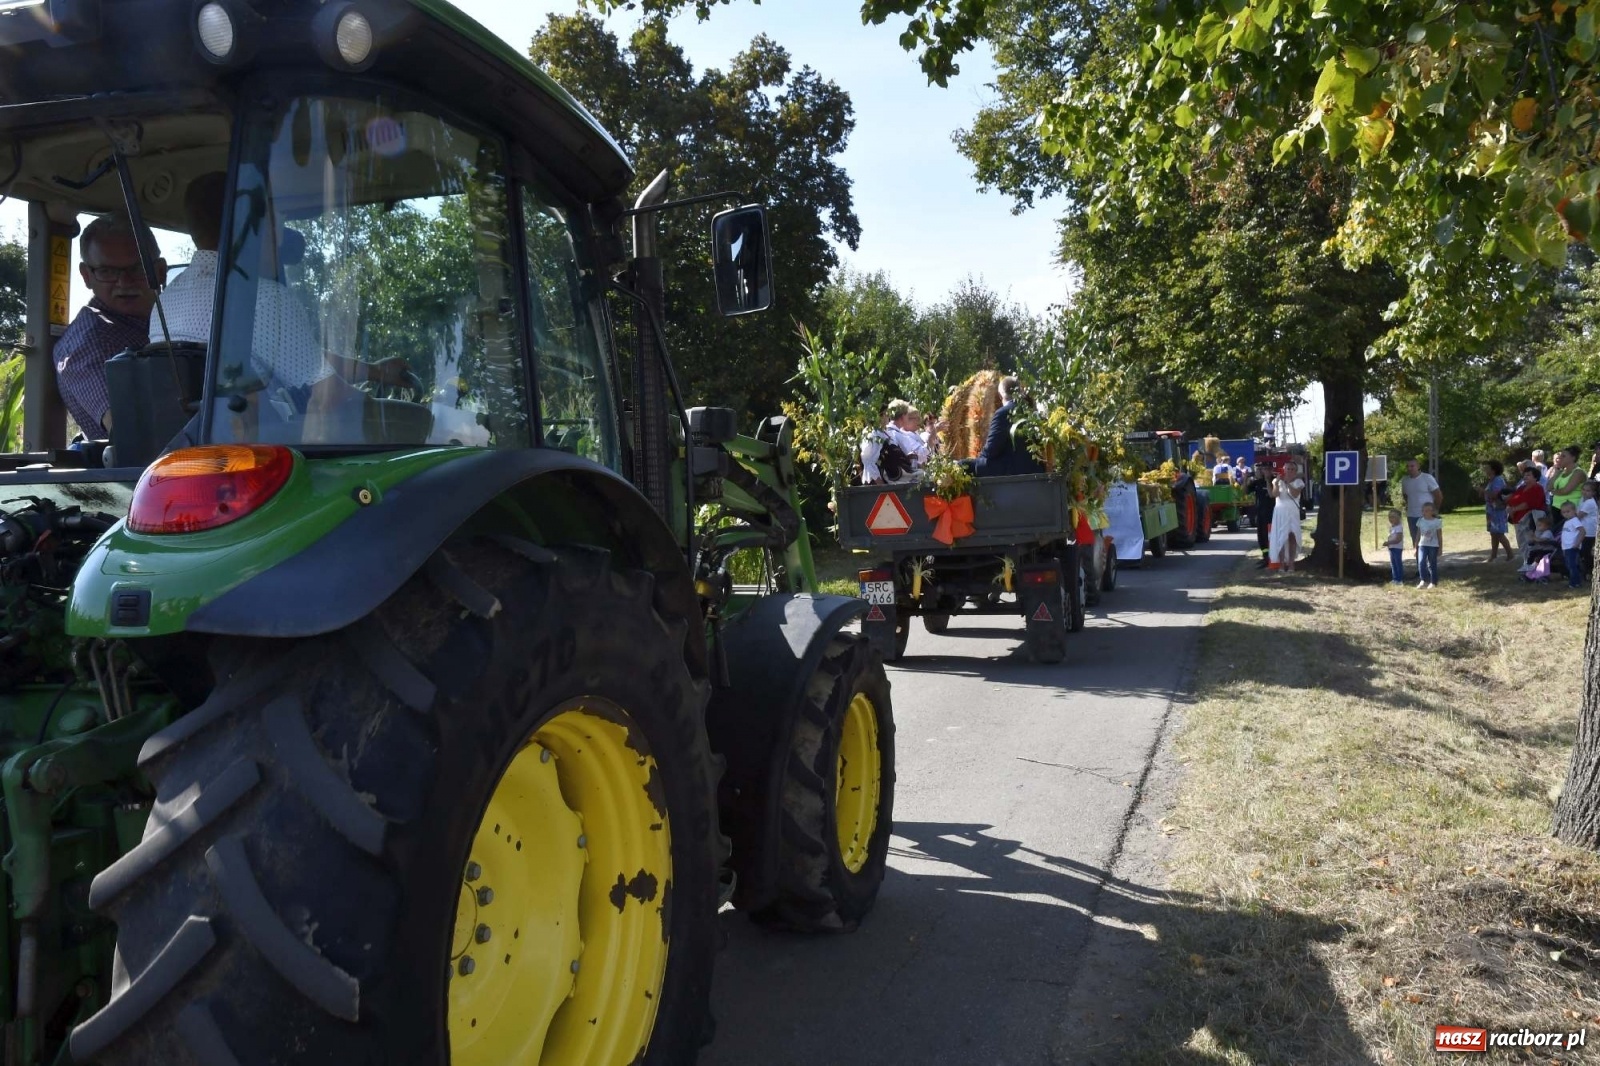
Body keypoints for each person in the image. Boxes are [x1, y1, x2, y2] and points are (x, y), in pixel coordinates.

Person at [153, 173, 410, 423]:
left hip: (193, 452)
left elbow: (296, 356)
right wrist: (399, 417)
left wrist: (374, 371)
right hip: (255, 454)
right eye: (275, 221)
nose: (281, 237)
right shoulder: (263, 299)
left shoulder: (163, 305)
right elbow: (329, 397)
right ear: (248, 226)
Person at [53, 214, 168, 436]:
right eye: (107, 271)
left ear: (160, 271)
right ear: (86, 276)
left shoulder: (168, 321)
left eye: (138, 268)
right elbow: (133, 434)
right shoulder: (89, 343)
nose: (124, 282)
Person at [972, 376, 1042, 477]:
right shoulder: (1033, 413)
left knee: (965, 465)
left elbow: (991, 450)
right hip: (1035, 468)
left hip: (1010, 470)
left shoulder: (1002, 413)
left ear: (1001, 396)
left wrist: (980, 459)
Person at [860, 400, 916, 484]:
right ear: (879, 416)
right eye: (886, 414)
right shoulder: (873, 434)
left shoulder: (885, 433)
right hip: (885, 480)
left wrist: (905, 457)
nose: (888, 417)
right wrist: (881, 485)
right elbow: (869, 461)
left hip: (896, 476)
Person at [1399, 458, 1442, 552]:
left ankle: (1431, 563)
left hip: (1427, 516)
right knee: (1416, 541)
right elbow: (1405, 496)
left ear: (1418, 466)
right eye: (1408, 466)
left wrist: (1434, 511)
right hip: (1412, 515)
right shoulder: (1405, 481)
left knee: (1430, 542)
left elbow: (1438, 495)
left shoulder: (1427, 478)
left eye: (1412, 466)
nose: (1410, 468)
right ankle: (1420, 563)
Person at [1268, 462, 1304, 572]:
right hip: (1280, 512)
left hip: (1293, 512)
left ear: (1295, 471)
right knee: (1281, 538)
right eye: (1288, 469)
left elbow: (1295, 494)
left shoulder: (1299, 482)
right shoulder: (1277, 481)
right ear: (1284, 469)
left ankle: (1291, 564)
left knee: (1292, 537)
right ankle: (1282, 565)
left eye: (1292, 469)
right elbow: (1275, 495)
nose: (1290, 471)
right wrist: (1277, 483)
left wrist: (1288, 483)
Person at [1481, 460, 1512, 562]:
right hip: (1491, 510)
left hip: (1497, 510)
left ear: (1493, 469)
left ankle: (1510, 554)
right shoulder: (1491, 480)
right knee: (1493, 533)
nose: (1485, 469)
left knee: (1499, 533)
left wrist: (1482, 491)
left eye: (1487, 467)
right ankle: (1493, 555)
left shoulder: (1498, 480)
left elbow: (1495, 495)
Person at [1547, 446, 1587, 515]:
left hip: (1569, 510)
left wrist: (1553, 492)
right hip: (1555, 506)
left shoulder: (1578, 472)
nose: (1560, 458)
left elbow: (1566, 490)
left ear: (1573, 458)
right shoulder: (1561, 472)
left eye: (1563, 456)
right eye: (1560, 456)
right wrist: (1556, 473)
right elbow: (1548, 487)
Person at [1248, 463, 1273, 566]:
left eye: (1267, 469)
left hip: (1271, 513)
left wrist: (1268, 480)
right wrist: (1246, 479)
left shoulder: (1274, 480)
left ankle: (1271, 558)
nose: (1264, 471)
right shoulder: (1257, 482)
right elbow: (1245, 491)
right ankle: (1265, 557)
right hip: (1260, 513)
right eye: (1263, 469)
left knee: (1269, 537)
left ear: (1271, 470)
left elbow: (1272, 495)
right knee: (1261, 537)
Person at [1416, 501, 1443, 588]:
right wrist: (1415, 546)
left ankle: (1433, 582)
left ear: (1432, 511)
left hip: (1433, 546)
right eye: (1424, 510)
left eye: (1428, 510)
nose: (1425, 512)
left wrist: (1440, 548)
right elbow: (1418, 534)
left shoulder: (1437, 522)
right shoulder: (1420, 521)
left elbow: (1439, 536)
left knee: (1432, 563)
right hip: (1422, 545)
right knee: (1421, 561)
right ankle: (1423, 580)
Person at [1559, 501, 1585, 590]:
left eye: (1568, 511)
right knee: (1569, 565)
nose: (1566, 514)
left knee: (1572, 565)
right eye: (1563, 512)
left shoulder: (1575, 521)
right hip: (1566, 548)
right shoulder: (1567, 522)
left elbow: (1582, 531)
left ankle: (1574, 583)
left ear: (1574, 511)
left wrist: (1577, 543)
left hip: (1572, 547)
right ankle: (1577, 581)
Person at [1579, 480, 1598, 583]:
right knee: (1584, 552)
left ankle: (1590, 571)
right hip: (1583, 530)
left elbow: (1579, 515)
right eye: (1584, 490)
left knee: (1585, 552)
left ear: (1593, 493)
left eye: (1588, 490)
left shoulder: (1590, 502)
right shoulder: (1582, 500)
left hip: (1589, 531)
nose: (1585, 492)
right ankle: (1587, 570)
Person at [1385, 508, 1405, 585]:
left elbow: (1398, 539)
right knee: (1393, 563)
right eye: (1390, 517)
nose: (1391, 519)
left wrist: (1388, 542)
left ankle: (1399, 579)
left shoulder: (1399, 527)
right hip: (1391, 548)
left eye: (1393, 517)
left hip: (1397, 548)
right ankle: (1395, 578)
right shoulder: (1392, 527)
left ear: (1399, 518)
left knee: (1397, 563)